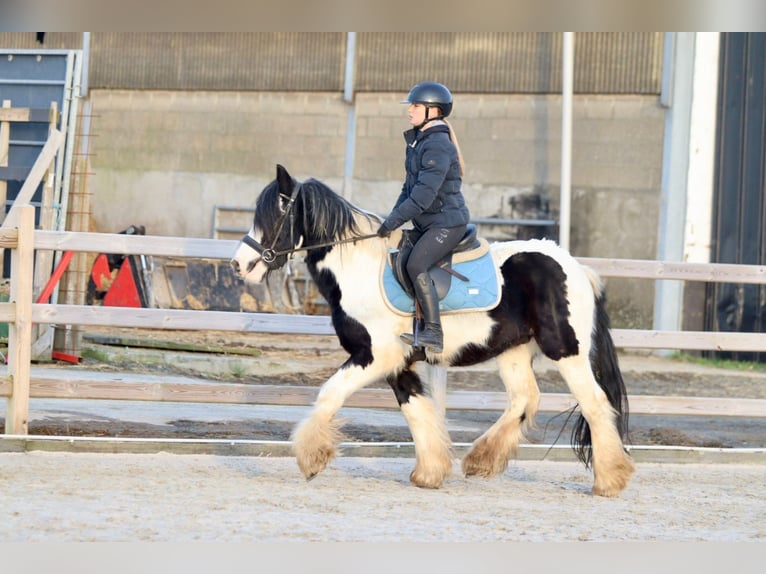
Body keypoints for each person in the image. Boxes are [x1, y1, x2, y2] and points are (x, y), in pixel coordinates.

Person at [376, 81, 471, 353]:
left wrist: (392, 222)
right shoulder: (419, 143)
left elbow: (422, 197)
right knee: (400, 253)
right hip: (428, 223)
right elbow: (408, 190)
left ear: (433, 110)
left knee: (416, 264)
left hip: (446, 223)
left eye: (416, 106)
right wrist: (389, 221)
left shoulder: (438, 146)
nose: (410, 111)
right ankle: (411, 322)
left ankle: (434, 333)